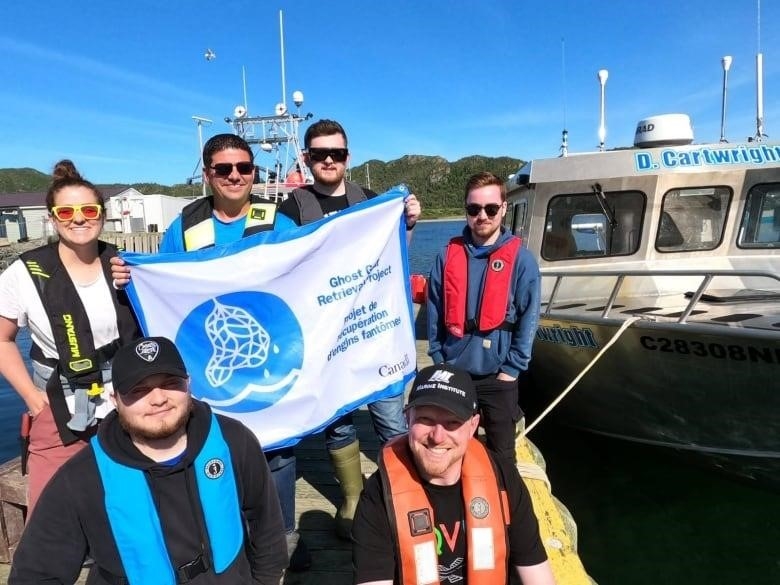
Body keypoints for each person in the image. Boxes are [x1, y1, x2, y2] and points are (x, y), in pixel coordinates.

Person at [109, 134, 310, 572]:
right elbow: (160, 283)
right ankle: (222, 543)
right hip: (208, 363)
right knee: (213, 449)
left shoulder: (278, 218)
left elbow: (310, 270)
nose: (235, 176)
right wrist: (130, 276)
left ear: (254, 172)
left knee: (277, 453)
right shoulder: (186, 224)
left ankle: (282, 540)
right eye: (224, 169)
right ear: (208, 175)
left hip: (269, 360)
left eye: (244, 167)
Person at [9, 336, 288, 584]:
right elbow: (37, 573)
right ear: (115, 399)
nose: (158, 399)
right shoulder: (81, 477)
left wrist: (266, 579)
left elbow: (265, 523)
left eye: (170, 383)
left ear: (188, 383)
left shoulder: (233, 440)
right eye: (138, 390)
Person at [277, 118, 422, 540]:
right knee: (337, 421)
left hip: (375, 330)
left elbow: (394, 255)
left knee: (390, 415)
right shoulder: (292, 210)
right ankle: (353, 498)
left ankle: (404, 492)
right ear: (306, 158)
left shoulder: (371, 201)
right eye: (319, 153)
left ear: (347, 157)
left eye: (336, 153)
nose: (328, 160)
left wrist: (408, 221)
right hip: (326, 337)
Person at [0, 160, 140, 517]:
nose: (78, 219)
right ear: (52, 217)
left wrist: (138, 282)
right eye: (66, 211)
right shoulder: (25, 273)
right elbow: (2, 339)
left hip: (123, 403)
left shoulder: (125, 266)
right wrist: (32, 399)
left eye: (88, 210)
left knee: (128, 508)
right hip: (58, 402)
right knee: (50, 514)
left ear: (103, 215)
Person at [352, 363, 556, 585]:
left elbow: (536, 571)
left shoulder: (503, 479)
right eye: (426, 419)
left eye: (452, 422)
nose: (438, 436)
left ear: (473, 426)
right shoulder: (380, 495)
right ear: (407, 418)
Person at [426, 171, 540, 466]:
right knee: (454, 451)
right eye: (474, 209)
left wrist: (512, 370)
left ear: (503, 208)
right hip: (454, 372)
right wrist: (438, 357)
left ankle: (504, 506)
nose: (482, 216)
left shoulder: (522, 260)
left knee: (503, 455)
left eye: (490, 208)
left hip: (498, 377)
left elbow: (529, 319)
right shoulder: (446, 256)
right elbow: (434, 309)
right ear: (466, 210)